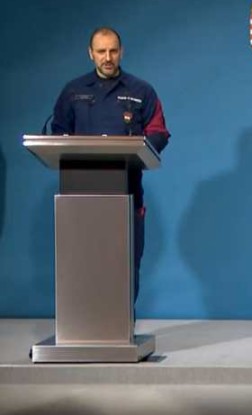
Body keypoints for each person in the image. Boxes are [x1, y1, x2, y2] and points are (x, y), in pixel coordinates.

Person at [51, 27, 170, 305]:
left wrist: (134, 149)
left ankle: (121, 326)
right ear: (90, 54)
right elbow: (58, 133)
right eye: (101, 51)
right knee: (81, 267)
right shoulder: (73, 91)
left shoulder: (141, 91)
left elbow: (159, 132)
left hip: (127, 194)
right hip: (80, 199)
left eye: (113, 51)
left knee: (124, 267)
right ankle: (81, 325)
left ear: (121, 52)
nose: (107, 57)